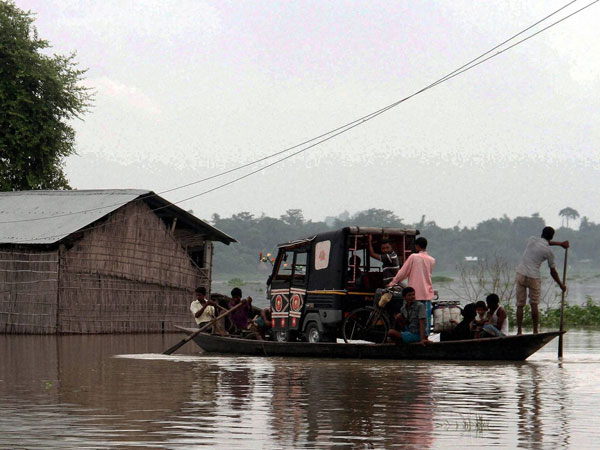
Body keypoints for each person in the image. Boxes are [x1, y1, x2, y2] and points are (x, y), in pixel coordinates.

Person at [516, 226, 569, 334]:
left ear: (541, 234)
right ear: (552, 237)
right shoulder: (549, 252)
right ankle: (535, 331)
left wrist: (560, 244)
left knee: (520, 304)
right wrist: (561, 285)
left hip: (521, 273)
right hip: (533, 277)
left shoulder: (532, 240)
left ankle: (519, 331)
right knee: (534, 304)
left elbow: (546, 242)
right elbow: (553, 271)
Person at [387, 237, 435, 331]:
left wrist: (393, 283)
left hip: (413, 294)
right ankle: (425, 337)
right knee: (424, 318)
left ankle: (410, 335)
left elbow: (403, 272)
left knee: (409, 317)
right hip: (427, 293)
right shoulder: (431, 260)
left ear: (417, 246)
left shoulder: (413, 257)